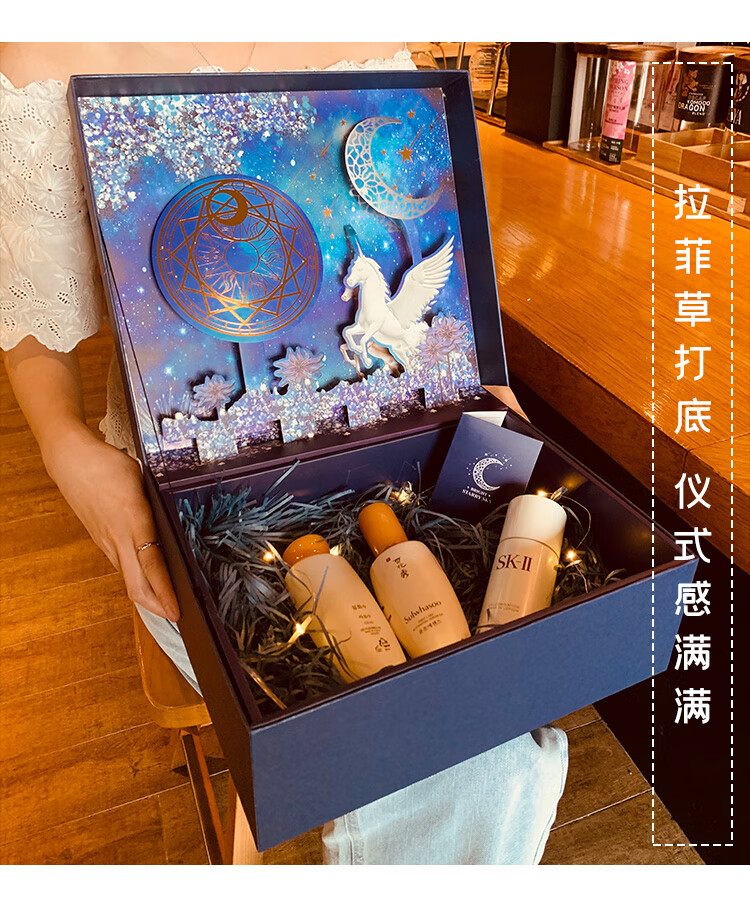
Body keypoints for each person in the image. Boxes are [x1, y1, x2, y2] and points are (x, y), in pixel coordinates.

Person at [1, 42, 566, 864]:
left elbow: (422, 228)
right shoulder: (48, 39)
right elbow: (34, 325)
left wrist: (482, 378)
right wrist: (65, 447)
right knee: (459, 766)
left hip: (392, 427)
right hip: (186, 491)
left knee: (479, 725)